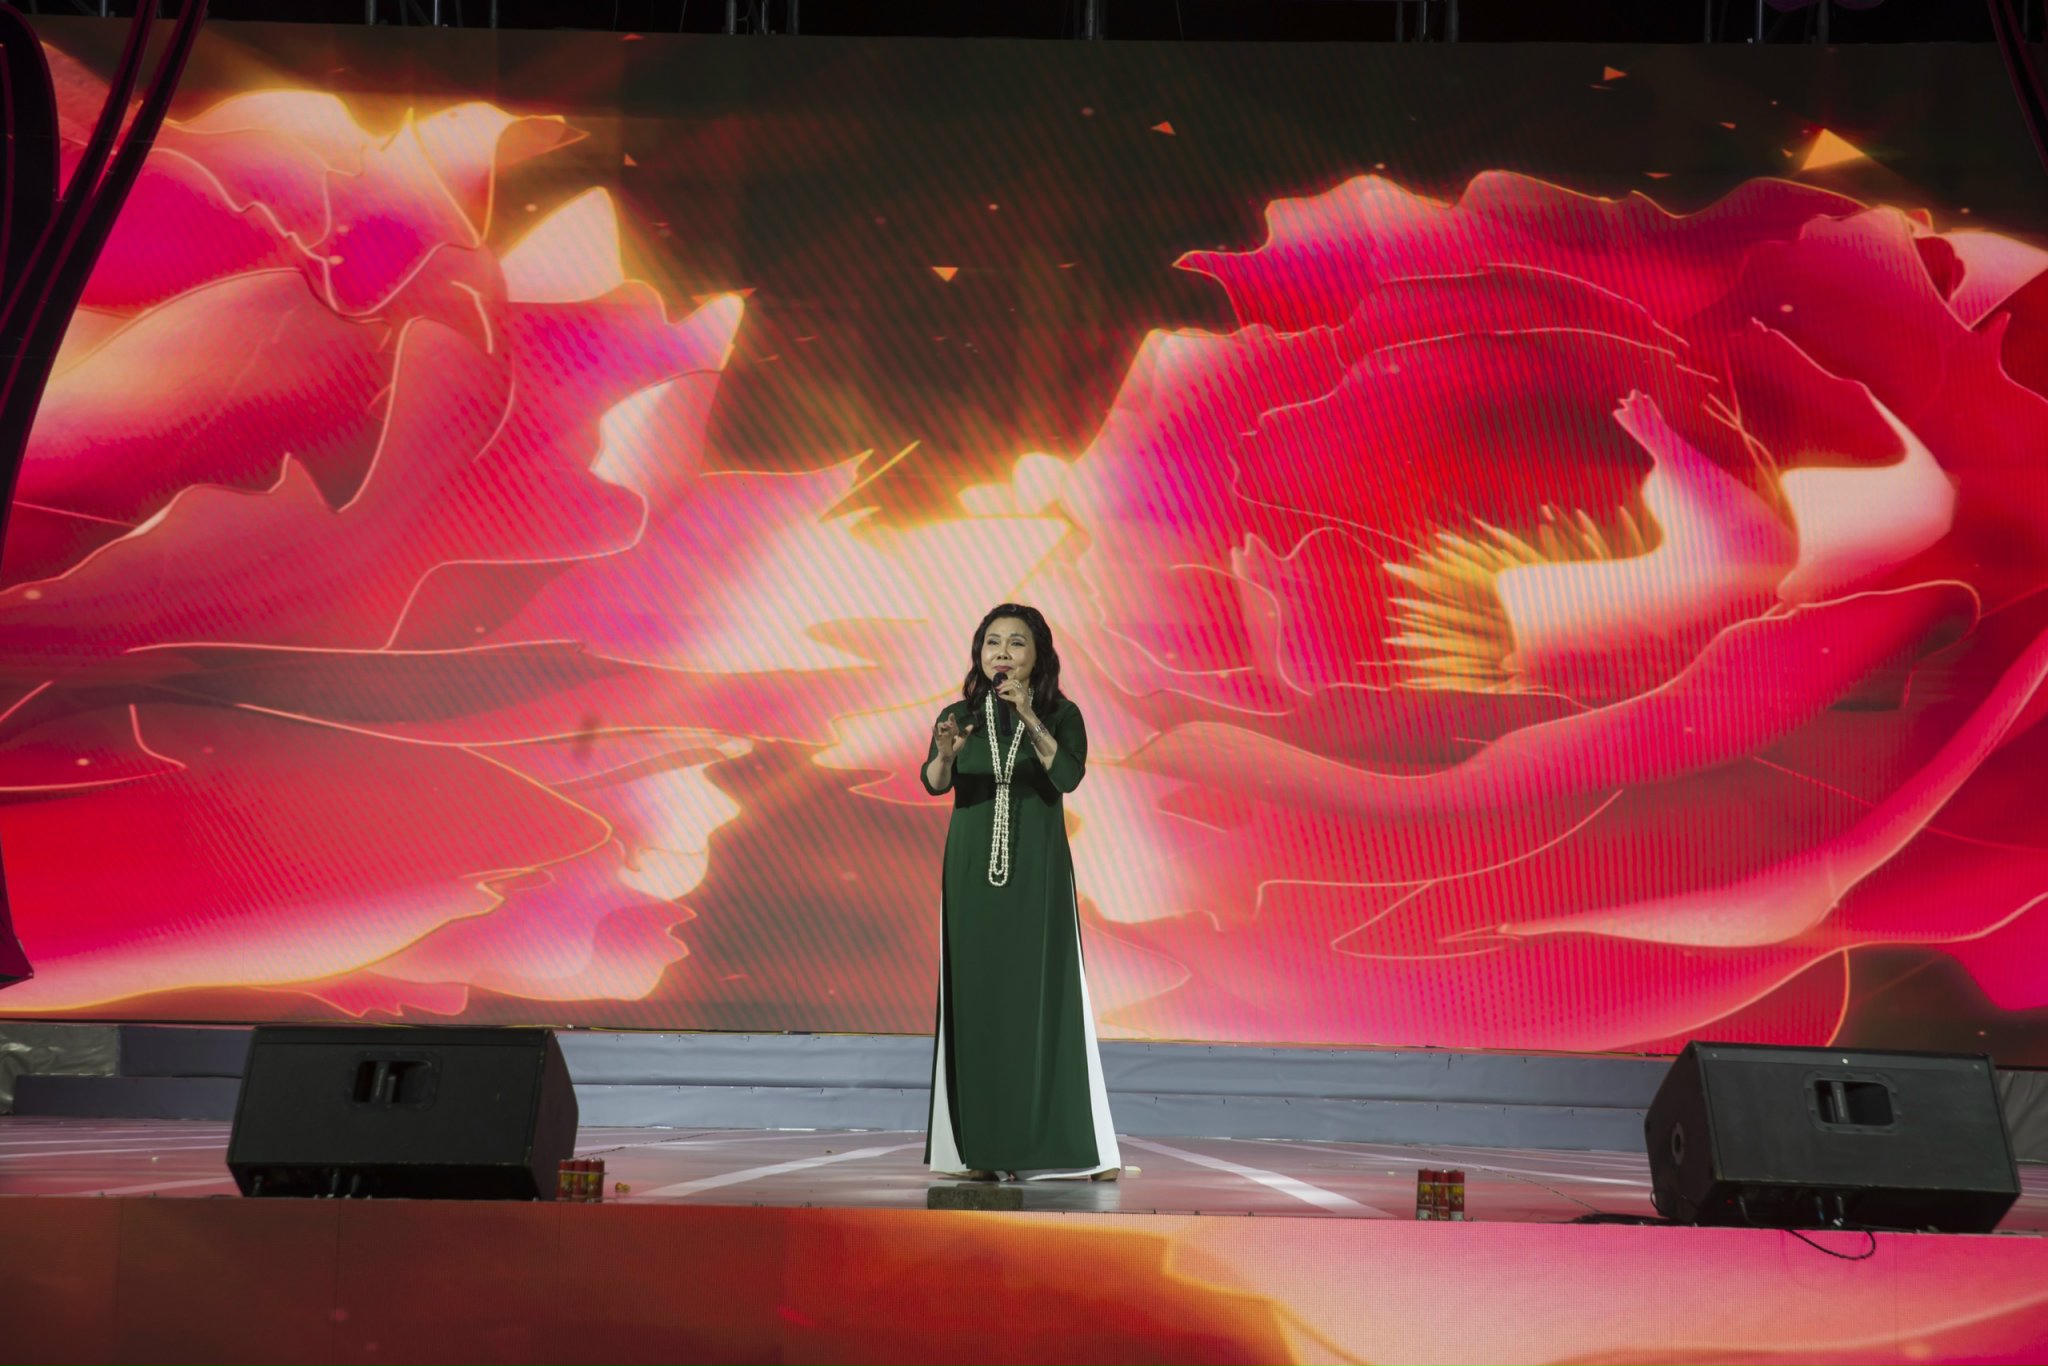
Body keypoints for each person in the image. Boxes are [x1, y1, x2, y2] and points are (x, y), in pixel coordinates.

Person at [920, 603, 1121, 1182]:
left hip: (1037, 870)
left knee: (1041, 995)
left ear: (1038, 655)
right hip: (971, 874)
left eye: (1015, 643)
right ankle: (976, 1149)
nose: (1001, 653)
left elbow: (1068, 777)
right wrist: (945, 755)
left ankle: (1061, 1147)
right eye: (992, 643)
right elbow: (934, 783)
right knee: (976, 999)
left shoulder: (1062, 714)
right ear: (979, 653)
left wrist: (1029, 715)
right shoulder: (958, 715)